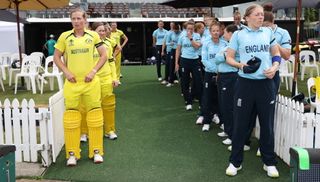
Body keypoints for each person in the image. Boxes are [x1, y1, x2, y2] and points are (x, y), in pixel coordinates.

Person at [225, 4, 281, 178]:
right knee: (240, 125)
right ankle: (235, 162)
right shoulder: (238, 34)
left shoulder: (268, 32)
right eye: (256, 15)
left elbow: (276, 53)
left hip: (266, 84)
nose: (260, 17)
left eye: (262, 15)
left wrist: (275, 66)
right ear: (247, 17)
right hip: (245, 85)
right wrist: (240, 65)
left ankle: (269, 162)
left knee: (267, 125)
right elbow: (229, 57)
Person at [53, 8, 107, 166]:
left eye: (79, 18)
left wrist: (94, 71)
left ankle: (96, 152)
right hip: (72, 84)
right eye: (73, 19)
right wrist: (66, 71)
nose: (76, 21)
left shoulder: (94, 35)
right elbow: (57, 57)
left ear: (85, 20)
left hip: (91, 83)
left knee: (95, 118)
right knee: (71, 119)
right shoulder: (65, 36)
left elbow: (103, 55)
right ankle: (72, 154)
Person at [80, 22, 120, 143]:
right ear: (92, 31)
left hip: (106, 79)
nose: (102, 33)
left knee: (108, 106)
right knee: (86, 106)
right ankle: (84, 132)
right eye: (99, 30)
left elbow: (111, 62)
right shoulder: (86, 44)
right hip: (90, 79)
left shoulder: (108, 43)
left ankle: (109, 130)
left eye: (103, 30)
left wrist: (114, 77)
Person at [196, 22, 227, 132]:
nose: (216, 33)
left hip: (222, 74)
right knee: (207, 97)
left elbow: (226, 58)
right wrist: (215, 70)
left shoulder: (224, 43)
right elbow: (204, 60)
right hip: (209, 73)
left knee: (221, 98)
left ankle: (222, 121)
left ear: (220, 31)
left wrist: (219, 71)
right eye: (213, 31)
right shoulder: (206, 43)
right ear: (210, 32)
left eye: (217, 31)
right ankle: (207, 121)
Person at [215, 24, 238, 145]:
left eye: (225, 32)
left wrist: (221, 56)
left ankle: (232, 135)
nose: (223, 34)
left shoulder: (234, 46)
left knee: (229, 106)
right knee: (224, 104)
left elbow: (220, 58)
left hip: (230, 77)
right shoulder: (227, 45)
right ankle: (227, 129)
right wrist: (221, 56)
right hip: (223, 76)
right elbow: (217, 59)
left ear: (230, 34)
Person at [175, 21, 202, 111]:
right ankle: (188, 102)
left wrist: (191, 39)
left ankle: (201, 102)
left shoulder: (197, 36)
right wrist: (176, 63)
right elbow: (178, 49)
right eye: (188, 29)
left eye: (191, 29)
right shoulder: (181, 36)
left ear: (194, 29)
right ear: (185, 29)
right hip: (184, 60)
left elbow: (197, 46)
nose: (190, 30)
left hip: (195, 60)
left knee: (198, 81)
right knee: (185, 82)